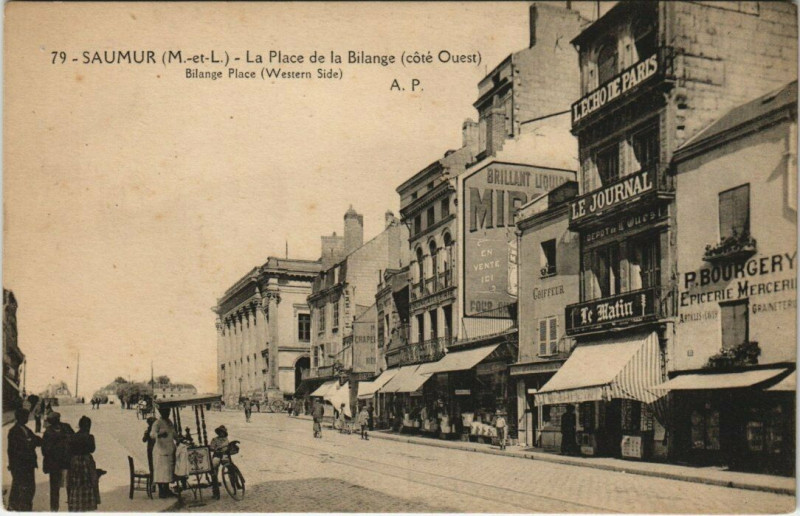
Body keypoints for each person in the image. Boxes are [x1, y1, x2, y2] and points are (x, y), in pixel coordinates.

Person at [7, 408, 43, 511]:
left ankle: (21, 508)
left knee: (28, 489)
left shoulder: (26, 429)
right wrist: (30, 442)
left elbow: (36, 440)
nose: (27, 418)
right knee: (22, 488)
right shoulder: (14, 431)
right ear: (20, 418)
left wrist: (33, 441)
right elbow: (17, 449)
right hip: (20, 465)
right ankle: (17, 509)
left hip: (28, 464)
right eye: (25, 417)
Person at [42, 412, 74, 511]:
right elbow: (45, 450)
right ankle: (54, 510)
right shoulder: (48, 431)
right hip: (55, 464)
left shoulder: (66, 427)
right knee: (55, 489)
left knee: (70, 488)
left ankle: (72, 509)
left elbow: (74, 439)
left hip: (67, 463)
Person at [67, 416, 100, 512]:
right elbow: (92, 449)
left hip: (75, 462)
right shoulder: (90, 437)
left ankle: (76, 506)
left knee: (76, 484)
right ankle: (87, 506)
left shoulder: (73, 436)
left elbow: (69, 450)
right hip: (86, 461)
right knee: (88, 483)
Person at [149, 407, 177, 498]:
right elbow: (152, 435)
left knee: (168, 471)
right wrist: (160, 434)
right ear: (161, 412)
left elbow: (174, 433)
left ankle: (167, 489)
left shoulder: (169, 422)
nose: (167, 413)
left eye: (168, 411)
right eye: (165, 411)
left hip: (169, 450)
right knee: (161, 472)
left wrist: (179, 438)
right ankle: (161, 491)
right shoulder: (157, 423)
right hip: (160, 451)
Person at [208, 425, 229, 499]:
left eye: (223, 432)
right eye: (220, 432)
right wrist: (215, 449)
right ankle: (216, 492)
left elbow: (227, 447)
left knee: (231, 468)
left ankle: (236, 483)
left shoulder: (225, 439)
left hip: (224, 455)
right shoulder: (214, 439)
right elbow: (211, 448)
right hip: (217, 455)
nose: (221, 433)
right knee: (213, 471)